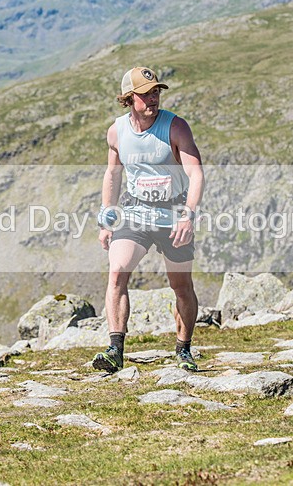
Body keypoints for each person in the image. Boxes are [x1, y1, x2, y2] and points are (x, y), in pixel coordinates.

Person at [94, 66, 204, 373]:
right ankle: (115, 350)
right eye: (145, 94)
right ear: (129, 99)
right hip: (135, 212)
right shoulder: (116, 132)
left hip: (173, 214)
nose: (153, 99)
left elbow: (196, 173)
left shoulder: (176, 127)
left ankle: (184, 350)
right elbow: (113, 174)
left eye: (156, 92)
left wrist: (188, 215)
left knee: (180, 285)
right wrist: (107, 219)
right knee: (117, 273)